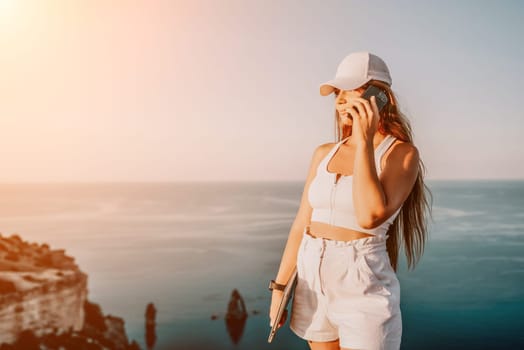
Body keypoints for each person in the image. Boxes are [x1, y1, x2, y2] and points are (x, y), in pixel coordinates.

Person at [268, 51, 432, 350]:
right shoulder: (323, 153)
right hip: (312, 278)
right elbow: (301, 224)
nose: (341, 100)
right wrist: (279, 287)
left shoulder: (402, 154)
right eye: (338, 94)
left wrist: (365, 140)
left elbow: (370, 215)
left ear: (379, 97)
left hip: (362, 282)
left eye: (351, 91)